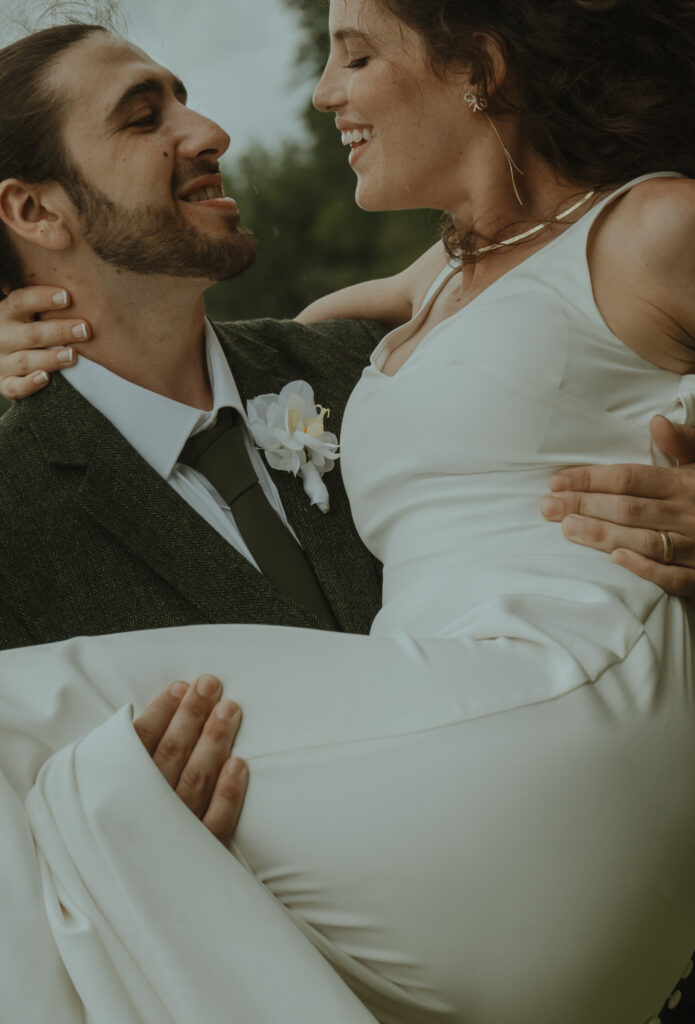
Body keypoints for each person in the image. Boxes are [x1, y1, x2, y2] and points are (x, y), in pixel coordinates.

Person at [1, 5, 695, 1024]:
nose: (211, 132)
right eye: (145, 117)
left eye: (356, 55)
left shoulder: (350, 374)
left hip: (576, 820)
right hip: (370, 966)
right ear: (33, 212)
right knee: (76, 792)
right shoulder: (15, 511)